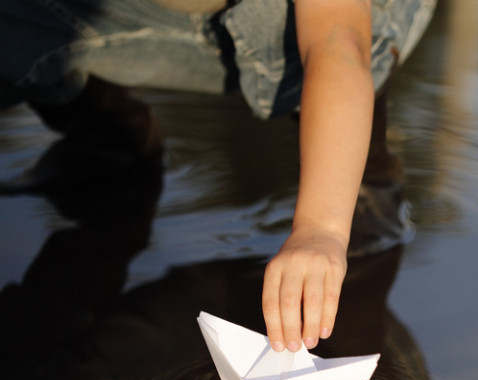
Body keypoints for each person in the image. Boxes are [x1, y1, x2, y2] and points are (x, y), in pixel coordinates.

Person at [0, 0, 435, 355]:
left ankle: (362, 180)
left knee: (320, 24)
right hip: (159, 23)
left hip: (331, 23)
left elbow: (338, 41)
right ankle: (108, 138)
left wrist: (320, 229)